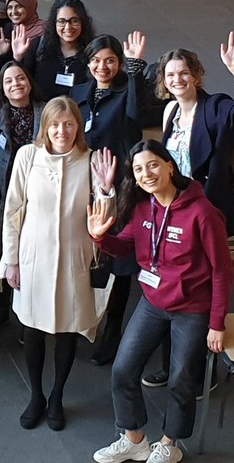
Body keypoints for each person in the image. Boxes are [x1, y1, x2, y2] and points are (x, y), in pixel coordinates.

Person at [88, 141, 232, 463]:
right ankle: (134, 439)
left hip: (192, 309)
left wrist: (216, 323)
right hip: (153, 301)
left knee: (181, 379)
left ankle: (169, 444)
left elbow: (223, 271)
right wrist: (100, 237)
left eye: (153, 165)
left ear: (170, 165)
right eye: (138, 169)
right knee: (123, 369)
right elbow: (124, 246)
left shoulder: (203, 214)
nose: (146, 174)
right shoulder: (143, 208)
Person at [0, 96, 106, 431]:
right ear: (45, 127)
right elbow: (12, 211)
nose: (62, 131)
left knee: (67, 329)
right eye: (55, 124)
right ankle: (36, 395)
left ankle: (58, 395)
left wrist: (106, 191)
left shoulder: (90, 161)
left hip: (74, 257)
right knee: (32, 327)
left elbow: (104, 215)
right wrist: (11, 260)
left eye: (69, 124)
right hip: (33, 258)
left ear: (79, 126)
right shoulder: (28, 156)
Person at [72, 32, 149, 367]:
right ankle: (84, 316)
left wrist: (134, 72)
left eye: (110, 60)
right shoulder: (78, 94)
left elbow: (135, 119)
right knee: (84, 252)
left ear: (119, 63)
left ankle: (113, 329)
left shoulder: (127, 92)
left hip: (120, 186)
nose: (102, 66)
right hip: (83, 182)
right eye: (96, 60)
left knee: (116, 261)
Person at [158, 32, 234, 238]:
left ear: (196, 77)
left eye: (184, 73)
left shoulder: (216, 108)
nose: (177, 79)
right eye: (170, 75)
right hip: (173, 201)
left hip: (207, 206)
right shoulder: (170, 110)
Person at [0, 61, 44, 335]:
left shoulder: (47, 112)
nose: (15, 84)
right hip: (0, 195)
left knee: (34, 255)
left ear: (29, 82)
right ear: (1, 88)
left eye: (20, 78)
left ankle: (31, 319)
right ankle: (2, 307)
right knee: (5, 252)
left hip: (37, 196)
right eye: (8, 81)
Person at [14, 0, 94, 101]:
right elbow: (22, 80)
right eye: (61, 21)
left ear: (83, 22)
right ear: (54, 23)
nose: (67, 27)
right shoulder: (39, 46)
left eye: (74, 21)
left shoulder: (92, 52)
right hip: (42, 113)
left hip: (77, 114)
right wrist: (18, 58)